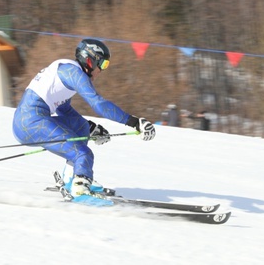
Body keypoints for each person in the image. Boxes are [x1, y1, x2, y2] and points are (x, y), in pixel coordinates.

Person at [12, 38, 156, 200]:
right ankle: (80, 189)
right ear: (90, 60)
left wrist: (91, 128)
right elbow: (98, 103)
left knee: (81, 127)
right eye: (102, 64)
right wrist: (135, 122)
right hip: (31, 122)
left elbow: (63, 109)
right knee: (84, 155)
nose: (102, 70)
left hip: (27, 121)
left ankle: (72, 180)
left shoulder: (66, 71)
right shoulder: (74, 73)